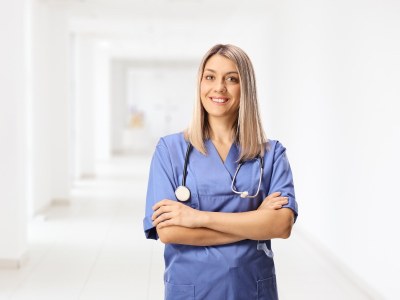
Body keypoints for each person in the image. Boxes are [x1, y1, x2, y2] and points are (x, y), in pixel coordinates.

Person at [143, 44, 298, 300]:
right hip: (192, 289)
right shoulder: (169, 151)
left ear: (245, 87)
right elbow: (169, 232)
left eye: (232, 79)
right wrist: (255, 221)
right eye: (210, 77)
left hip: (251, 289)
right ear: (200, 84)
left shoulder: (271, 154)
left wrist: (196, 218)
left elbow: (281, 225)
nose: (219, 88)